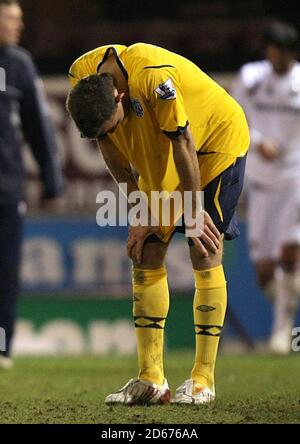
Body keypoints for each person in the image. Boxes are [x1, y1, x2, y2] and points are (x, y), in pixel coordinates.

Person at [66, 42, 249, 405]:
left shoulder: (155, 77)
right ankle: (151, 379)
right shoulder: (80, 75)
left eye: (109, 127)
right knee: (145, 251)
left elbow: (183, 140)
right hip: (159, 150)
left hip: (211, 143)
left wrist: (193, 209)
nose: (104, 136)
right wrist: (139, 208)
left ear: (119, 98)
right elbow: (110, 145)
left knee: (202, 245)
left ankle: (202, 380)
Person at [0, 0, 63, 368]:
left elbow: (40, 126)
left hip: (7, 188)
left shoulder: (18, 65)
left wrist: (52, 180)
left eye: (19, 19)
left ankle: (1, 347)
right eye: (9, 18)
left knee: (5, 271)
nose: (16, 26)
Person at [231, 22, 300, 354]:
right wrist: (257, 142)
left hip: (295, 177)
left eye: (282, 50)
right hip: (262, 180)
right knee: (264, 272)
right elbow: (233, 115)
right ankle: (286, 305)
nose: (276, 55)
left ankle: (281, 331)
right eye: (272, 48)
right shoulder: (251, 77)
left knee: (290, 249)